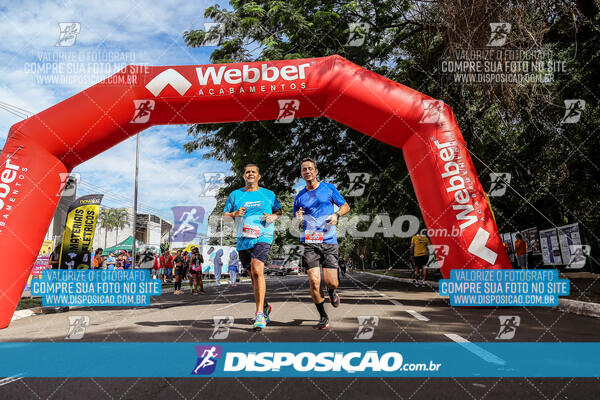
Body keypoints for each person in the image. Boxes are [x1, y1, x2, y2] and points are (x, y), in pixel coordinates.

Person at [222, 163, 282, 330]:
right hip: (243, 239)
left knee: (257, 270)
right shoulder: (235, 195)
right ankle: (265, 306)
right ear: (243, 176)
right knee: (253, 276)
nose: (250, 174)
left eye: (253, 172)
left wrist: (272, 217)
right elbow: (224, 217)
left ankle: (259, 315)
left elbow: (279, 211)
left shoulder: (268, 194)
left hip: (263, 236)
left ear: (259, 176)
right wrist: (234, 214)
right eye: (247, 172)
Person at [293, 158, 350, 330]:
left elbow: (346, 206)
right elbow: (296, 220)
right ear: (302, 174)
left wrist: (336, 215)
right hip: (309, 241)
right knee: (314, 280)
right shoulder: (299, 197)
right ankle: (323, 316)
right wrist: (298, 218)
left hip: (329, 241)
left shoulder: (329, 188)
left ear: (316, 171)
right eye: (304, 169)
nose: (307, 171)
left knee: (332, 282)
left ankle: (332, 291)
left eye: (310, 168)